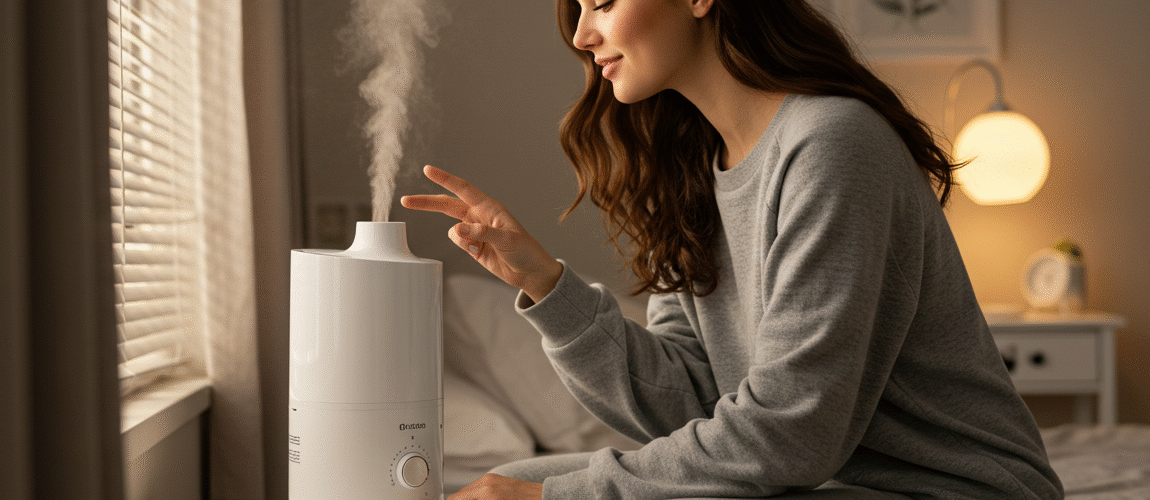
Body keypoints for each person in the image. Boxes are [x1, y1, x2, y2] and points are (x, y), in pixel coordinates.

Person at [402, 0, 1063, 498]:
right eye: (577, 7)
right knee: (508, 479)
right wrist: (546, 285)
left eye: (602, 1)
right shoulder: (692, 169)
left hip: (947, 489)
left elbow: (792, 432)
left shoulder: (830, 143)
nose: (581, 34)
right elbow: (689, 408)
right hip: (821, 480)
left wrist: (557, 497)